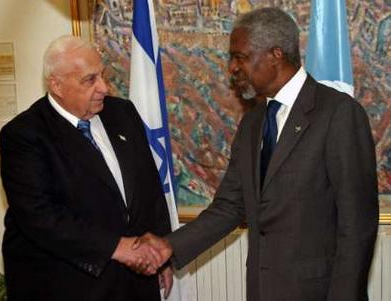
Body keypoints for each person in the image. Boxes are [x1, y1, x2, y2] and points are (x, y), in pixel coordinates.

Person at [137, 7, 379, 301]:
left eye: (240, 57)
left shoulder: (338, 113)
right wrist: (169, 246)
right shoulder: (253, 122)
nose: (232, 68)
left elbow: (357, 224)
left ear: (275, 55)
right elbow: (230, 205)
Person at [0, 35, 173, 300]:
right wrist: (117, 247)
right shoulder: (24, 135)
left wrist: (161, 252)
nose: (103, 87)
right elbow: (40, 217)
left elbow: (150, 189)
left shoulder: (123, 113)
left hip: (134, 282)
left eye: (102, 75)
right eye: (89, 80)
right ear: (56, 85)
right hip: (67, 284)